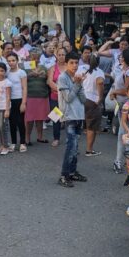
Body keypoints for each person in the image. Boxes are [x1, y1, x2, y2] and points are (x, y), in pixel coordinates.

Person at [57, 51, 87, 188]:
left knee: (75, 148)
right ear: (66, 63)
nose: (75, 65)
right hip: (69, 116)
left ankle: (72, 172)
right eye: (72, 63)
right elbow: (68, 98)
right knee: (70, 147)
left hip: (79, 115)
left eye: (76, 63)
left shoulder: (77, 77)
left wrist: (79, 84)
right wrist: (77, 84)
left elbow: (83, 99)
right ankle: (64, 175)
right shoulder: (62, 78)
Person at [111, 49, 129, 173]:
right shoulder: (123, 70)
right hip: (121, 104)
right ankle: (122, 160)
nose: (120, 57)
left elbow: (127, 90)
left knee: (124, 134)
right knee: (123, 134)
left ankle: (122, 161)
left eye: (122, 56)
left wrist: (114, 92)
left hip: (127, 106)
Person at [24, 49, 51, 145]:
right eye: (33, 58)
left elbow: (49, 80)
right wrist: (30, 75)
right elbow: (20, 79)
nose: (36, 60)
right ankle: (27, 138)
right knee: (29, 119)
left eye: (37, 58)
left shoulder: (43, 67)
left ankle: (40, 137)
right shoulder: (25, 67)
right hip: (30, 96)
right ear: (29, 58)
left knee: (40, 118)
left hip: (42, 96)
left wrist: (45, 75)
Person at [82, 54, 105, 157]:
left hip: (83, 98)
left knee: (79, 125)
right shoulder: (99, 72)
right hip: (92, 101)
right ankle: (89, 150)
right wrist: (100, 98)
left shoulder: (85, 69)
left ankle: (74, 148)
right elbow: (100, 82)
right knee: (91, 127)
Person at [5, 53, 28, 153]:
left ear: (17, 61)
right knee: (12, 122)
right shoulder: (7, 73)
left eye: (13, 60)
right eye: (9, 61)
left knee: (20, 122)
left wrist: (23, 103)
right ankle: (13, 142)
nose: (11, 63)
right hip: (10, 100)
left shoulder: (21, 72)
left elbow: (24, 88)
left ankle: (22, 143)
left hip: (19, 99)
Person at [47, 48, 67, 147]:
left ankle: (70, 137)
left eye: (63, 54)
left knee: (68, 117)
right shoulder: (52, 68)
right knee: (55, 118)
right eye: (59, 55)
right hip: (55, 96)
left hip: (68, 97)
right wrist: (60, 90)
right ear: (56, 56)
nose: (61, 57)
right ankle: (56, 138)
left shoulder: (69, 66)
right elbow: (49, 81)